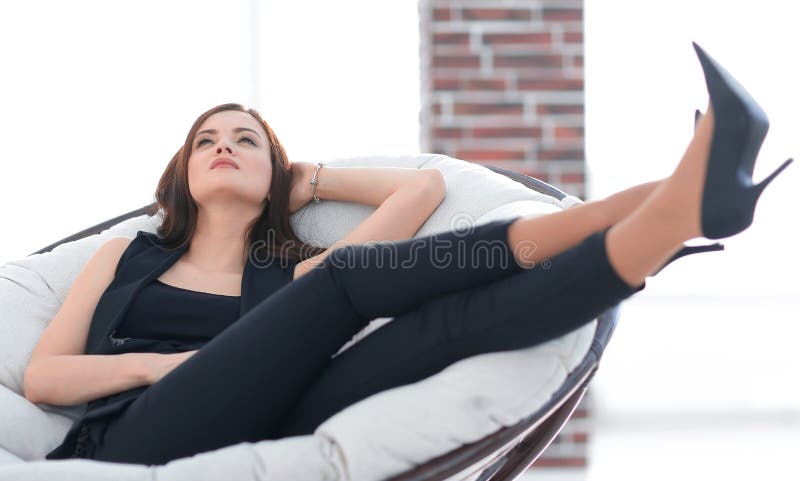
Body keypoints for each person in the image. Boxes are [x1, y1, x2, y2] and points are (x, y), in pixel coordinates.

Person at [26, 42, 792, 466]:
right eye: (208, 140)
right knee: (352, 278)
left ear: (276, 176)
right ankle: (669, 195)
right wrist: (160, 367)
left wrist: (315, 178)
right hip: (135, 437)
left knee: (439, 329)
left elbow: (421, 193)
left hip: (272, 417)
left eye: (246, 140)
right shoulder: (129, 257)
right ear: (184, 171)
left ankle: (668, 213)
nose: (225, 146)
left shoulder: (285, 278)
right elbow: (43, 375)